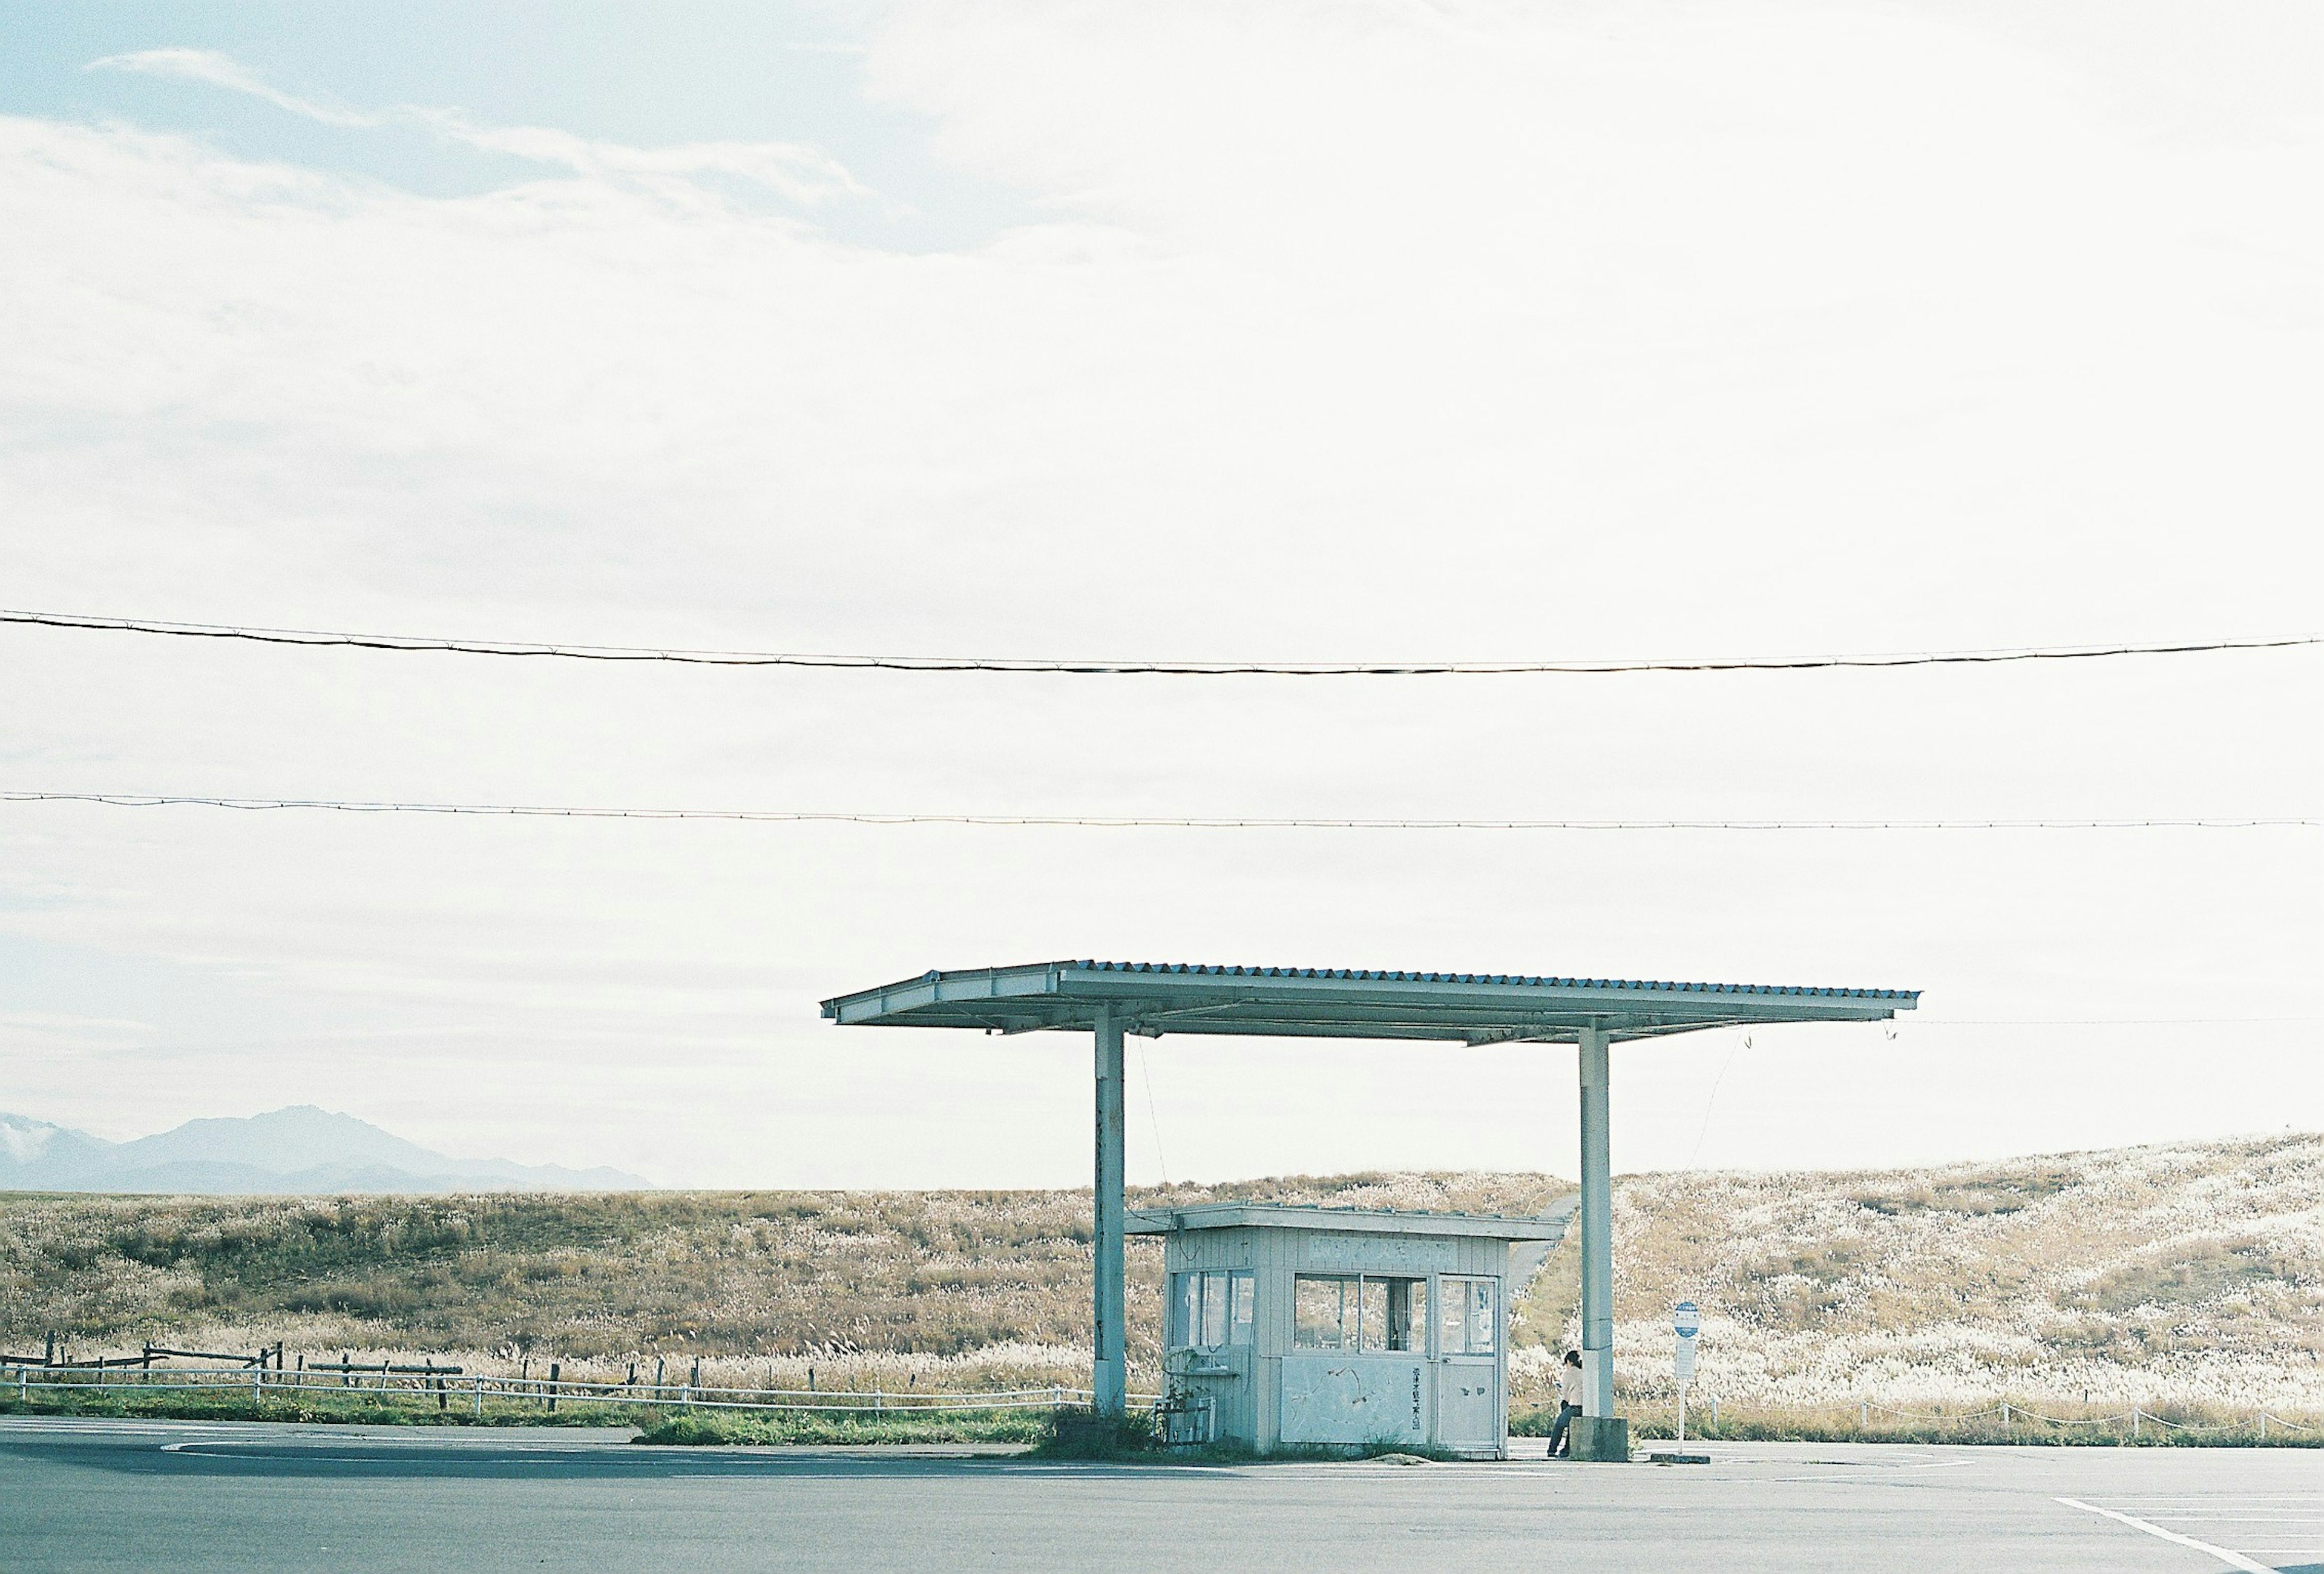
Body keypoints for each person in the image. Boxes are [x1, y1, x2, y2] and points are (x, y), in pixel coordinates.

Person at [1548, 1349, 1584, 1457]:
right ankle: (1566, 1450)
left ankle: (1552, 1450)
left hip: (1575, 1407)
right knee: (1571, 1427)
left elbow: (1565, 1396)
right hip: (1587, 1408)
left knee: (1560, 1425)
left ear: (1569, 1362)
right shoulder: (1584, 1372)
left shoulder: (1568, 1374)